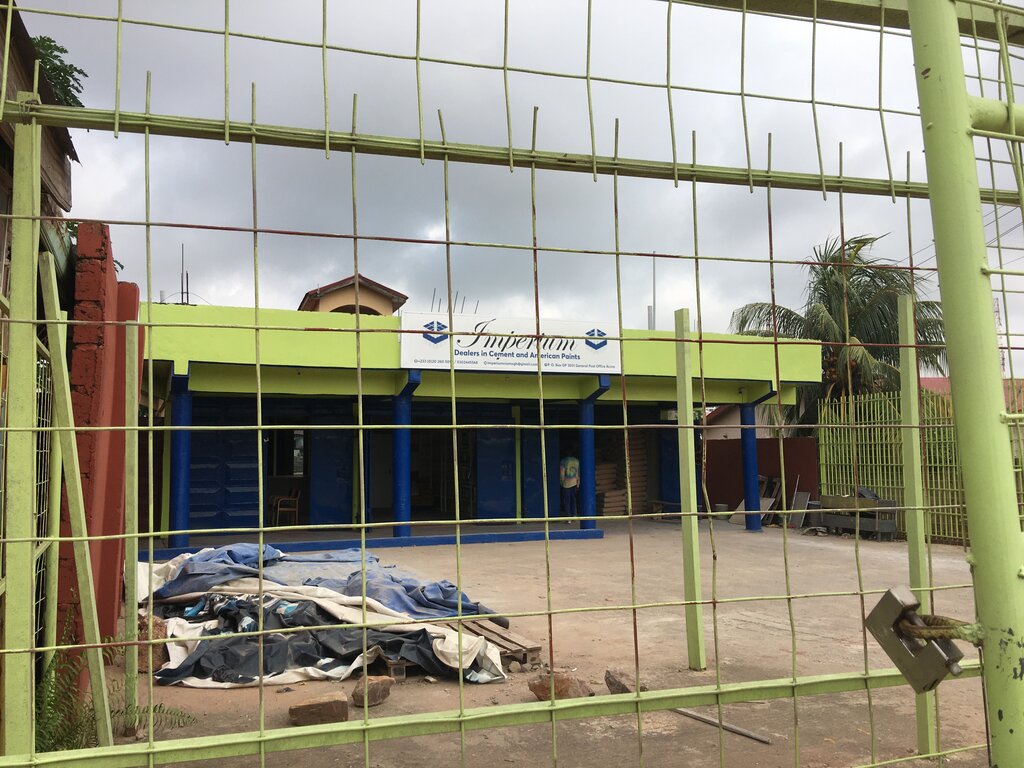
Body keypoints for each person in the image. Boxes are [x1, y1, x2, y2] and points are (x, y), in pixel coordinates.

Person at [559, 448, 580, 517]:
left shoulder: (564, 461)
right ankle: (574, 515)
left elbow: (562, 474)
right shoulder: (576, 461)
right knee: (573, 500)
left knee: (567, 501)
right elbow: (578, 473)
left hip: (566, 483)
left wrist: (561, 482)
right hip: (574, 482)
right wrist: (578, 483)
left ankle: (568, 517)